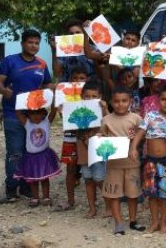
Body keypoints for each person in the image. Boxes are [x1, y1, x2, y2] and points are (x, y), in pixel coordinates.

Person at [0, 29, 53, 201]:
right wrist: (4, 91)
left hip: (35, 118)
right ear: (23, 43)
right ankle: (11, 189)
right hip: (12, 114)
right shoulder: (9, 61)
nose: (34, 46)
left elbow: (48, 83)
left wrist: (51, 93)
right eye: (30, 42)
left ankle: (27, 187)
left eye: (36, 43)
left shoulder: (42, 64)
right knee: (15, 153)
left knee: (30, 152)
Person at [131, 84, 166, 234]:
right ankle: (154, 222)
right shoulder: (150, 115)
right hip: (150, 161)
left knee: (164, 195)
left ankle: (163, 222)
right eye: (163, 99)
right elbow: (140, 133)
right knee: (151, 194)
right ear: (159, 100)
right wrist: (133, 148)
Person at [99, 86, 144, 235]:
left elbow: (142, 132)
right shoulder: (106, 120)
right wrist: (99, 138)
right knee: (114, 194)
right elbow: (102, 136)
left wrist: (135, 147)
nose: (120, 104)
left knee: (133, 194)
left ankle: (133, 220)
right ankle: (118, 222)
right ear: (111, 102)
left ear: (130, 101)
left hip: (132, 163)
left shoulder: (136, 118)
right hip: (113, 164)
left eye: (124, 101)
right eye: (117, 101)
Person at [56, 68, 90, 211]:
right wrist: (60, 110)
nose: (78, 81)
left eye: (81, 77)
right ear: (70, 80)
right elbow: (62, 118)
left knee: (90, 169)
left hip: (86, 138)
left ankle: (92, 203)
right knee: (70, 169)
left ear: (87, 80)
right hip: (70, 137)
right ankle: (71, 200)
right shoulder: (64, 96)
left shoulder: (91, 96)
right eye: (75, 78)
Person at [13, 106, 61, 207]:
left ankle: (46, 197)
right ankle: (35, 197)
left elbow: (53, 110)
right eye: (32, 113)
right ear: (28, 115)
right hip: (31, 157)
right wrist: (19, 101)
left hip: (44, 155)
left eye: (38, 113)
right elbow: (18, 113)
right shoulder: (27, 123)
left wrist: (54, 98)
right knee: (32, 179)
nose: (35, 116)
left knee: (44, 178)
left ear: (43, 114)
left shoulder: (46, 122)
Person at [74, 81, 109, 218]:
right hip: (83, 149)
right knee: (88, 179)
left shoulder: (102, 110)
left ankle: (109, 206)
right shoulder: (77, 109)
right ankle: (92, 208)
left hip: (98, 150)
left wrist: (105, 109)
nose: (90, 99)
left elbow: (110, 122)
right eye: (87, 96)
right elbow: (69, 123)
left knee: (100, 178)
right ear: (82, 97)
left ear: (100, 97)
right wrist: (62, 111)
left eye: (94, 96)